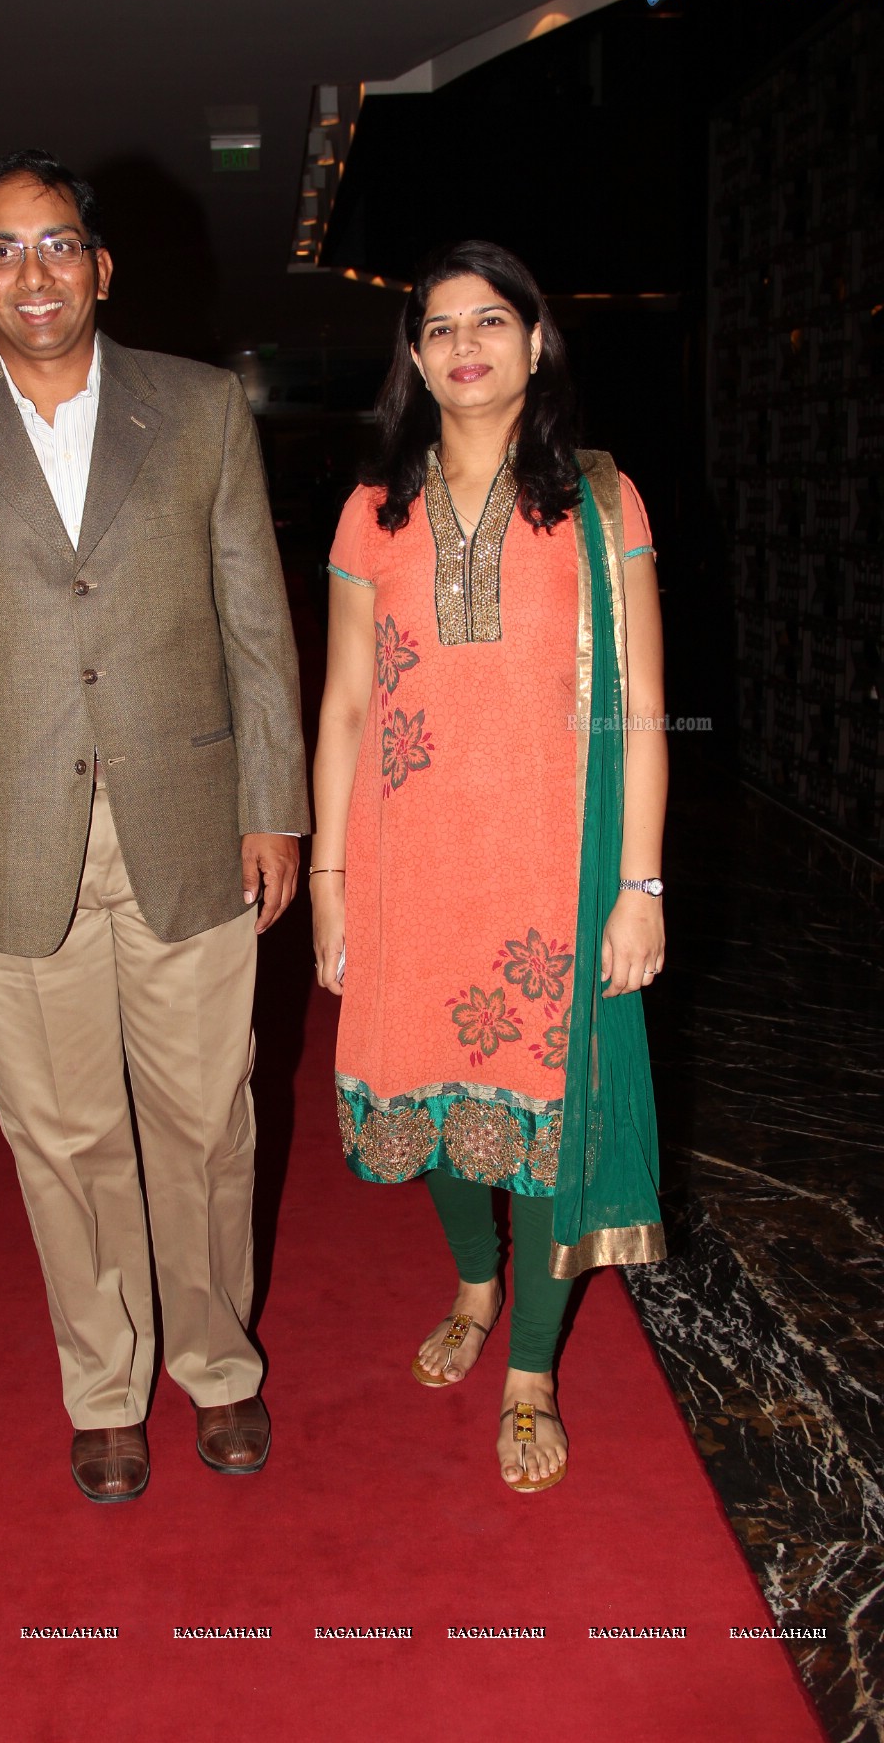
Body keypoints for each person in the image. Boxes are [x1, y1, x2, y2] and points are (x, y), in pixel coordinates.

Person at [0, 149, 307, 1503]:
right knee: (61, 1137)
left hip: (194, 821)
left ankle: (218, 1368)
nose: (31, 273)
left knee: (208, 1123)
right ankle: (104, 1389)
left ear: (100, 268)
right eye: (2, 250)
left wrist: (275, 804)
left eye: (56, 245)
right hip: (5, 837)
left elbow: (256, 622)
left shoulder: (202, 409)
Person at [311, 240, 666, 1493]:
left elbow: (637, 714)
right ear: (413, 355)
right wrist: (331, 881)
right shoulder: (375, 509)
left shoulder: (603, 500)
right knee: (431, 1100)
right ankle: (472, 1283)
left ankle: (529, 1365)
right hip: (409, 866)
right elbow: (346, 703)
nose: (464, 345)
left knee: (543, 1122)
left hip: (547, 879)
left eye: (490, 323)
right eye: (439, 327)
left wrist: (641, 887)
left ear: (535, 341)